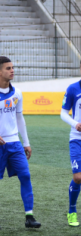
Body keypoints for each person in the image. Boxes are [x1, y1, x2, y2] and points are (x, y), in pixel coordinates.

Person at [0, 56, 41, 229]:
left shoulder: (17, 93)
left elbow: (19, 118)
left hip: (14, 144)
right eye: (8, 68)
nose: (12, 70)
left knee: (25, 176)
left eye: (12, 67)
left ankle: (29, 217)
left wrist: (26, 142)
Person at [61, 60, 81, 227]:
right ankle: (72, 211)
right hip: (77, 139)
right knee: (78, 177)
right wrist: (75, 124)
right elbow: (62, 113)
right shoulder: (73, 88)